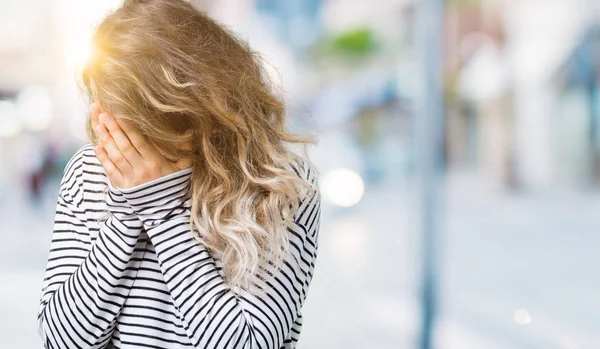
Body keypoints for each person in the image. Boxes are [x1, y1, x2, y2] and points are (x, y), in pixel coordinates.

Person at [36, 1, 321, 348]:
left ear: (192, 107)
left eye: (137, 119)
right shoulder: (90, 171)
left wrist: (162, 210)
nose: (115, 130)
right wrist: (128, 208)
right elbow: (62, 341)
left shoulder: (278, 183)